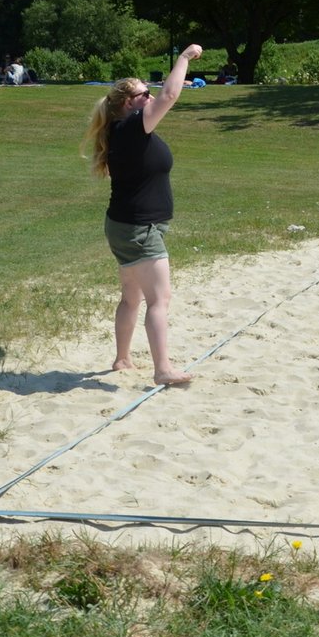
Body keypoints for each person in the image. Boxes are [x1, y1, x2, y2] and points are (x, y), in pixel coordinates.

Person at [82, 43, 205, 386]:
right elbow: (170, 95)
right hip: (138, 229)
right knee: (159, 299)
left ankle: (122, 359)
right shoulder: (131, 128)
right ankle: (163, 370)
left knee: (131, 297)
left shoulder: (125, 130)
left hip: (126, 225)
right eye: (143, 94)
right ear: (128, 103)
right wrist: (184, 58)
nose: (150, 96)